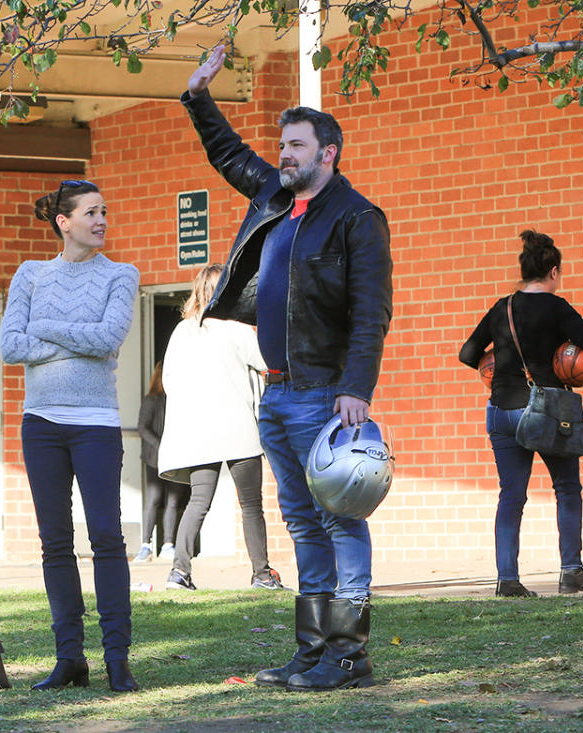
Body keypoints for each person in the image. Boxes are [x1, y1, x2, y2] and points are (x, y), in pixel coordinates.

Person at [181, 47, 393, 692]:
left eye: (297, 146)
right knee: (300, 521)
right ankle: (312, 650)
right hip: (274, 395)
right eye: (283, 145)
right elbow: (227, 154)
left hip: (325, 394)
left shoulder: (358, 218)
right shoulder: (274, 196)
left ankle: (349, 657)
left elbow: (371, 313)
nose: (285, 155)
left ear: (329, 152)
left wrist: (356, 389)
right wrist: (198, 96)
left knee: (339, 521)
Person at [0, 179, 140, 693]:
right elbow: (11, 346)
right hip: (41, 424)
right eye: (91, 213)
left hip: (96, 424)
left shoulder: (122, 275)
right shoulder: (31, 274)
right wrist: (75, 338)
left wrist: (48, 326)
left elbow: (109, 338)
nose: (102, 221)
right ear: (64, 222)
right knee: (55, 542)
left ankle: (117, 660)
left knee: (106, 537)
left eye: (105, 211)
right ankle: (69, 660)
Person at [459, 230, 583, 597]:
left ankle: (507, 580)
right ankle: (571, 572)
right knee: (567, 488)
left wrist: (493, 368)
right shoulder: (557, 307)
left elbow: (468, 353)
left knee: (511, 496)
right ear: (554, 272)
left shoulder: (503, 308)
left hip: (500, 411)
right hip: (547, 412)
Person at [157, 264, 284, 591]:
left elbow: (169, 381)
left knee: (198, 501)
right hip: (238, 428)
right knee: (251, 505)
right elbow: (268, 364)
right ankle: (261, 574)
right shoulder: (236, 329)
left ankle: (179, 572)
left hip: (199, 432)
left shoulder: (181, 332)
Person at [134, 361, 189, 564]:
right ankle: (146, 545)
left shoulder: (181, 400)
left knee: (173, 501)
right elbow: (142, 427)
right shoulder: (151, 400)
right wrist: (161, 444)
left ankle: (168, 545)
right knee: (154, 499)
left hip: (177, 458)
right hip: (155, 458)